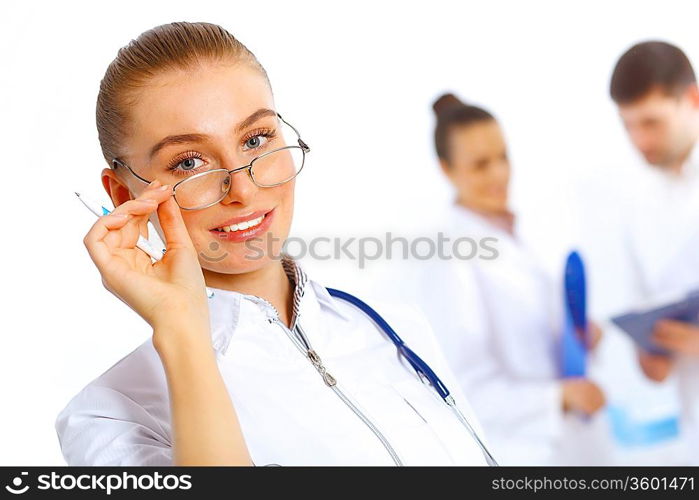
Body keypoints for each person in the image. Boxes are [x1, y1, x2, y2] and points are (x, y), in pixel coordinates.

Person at [54, 22, 494, 466]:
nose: (241, 188)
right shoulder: (109, 418)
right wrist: (183, 330)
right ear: (126, 197)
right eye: (189, 162)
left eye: (255, 138)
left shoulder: (394, 330)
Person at [378, 93, 606, 465]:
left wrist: (576, 336)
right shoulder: (448, 255)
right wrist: (557, 397)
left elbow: (532, 341)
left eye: (503, 157)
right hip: (523, 452)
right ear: (447, 170)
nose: (499, 174)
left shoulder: (521, 233)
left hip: (577, 444)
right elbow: (464, 384)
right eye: (481, 165)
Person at [608, 40, 699, 463]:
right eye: (628, 126)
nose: (639, 140)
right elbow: (653, 367)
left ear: (692, 100)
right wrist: (649, 354)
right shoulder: (638, 209)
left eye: (651, 122)